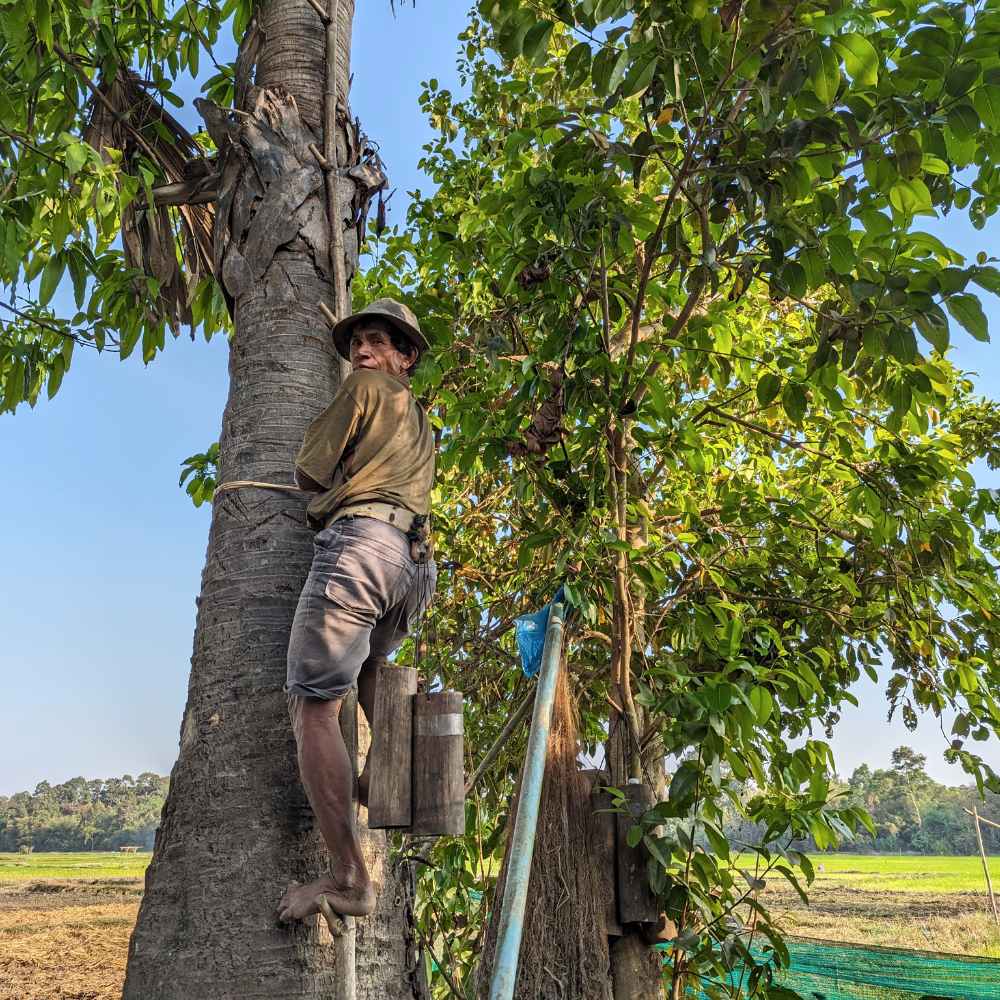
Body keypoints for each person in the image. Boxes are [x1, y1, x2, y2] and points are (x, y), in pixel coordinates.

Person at [277, 297, 436, 926]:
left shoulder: (366, 388)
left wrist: (332, 470)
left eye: (377, 342)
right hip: (411, 566)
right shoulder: (420, 420)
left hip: (361, 546)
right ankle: (385, 778)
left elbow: (306, 473)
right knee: (371, 667)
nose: (362, 354)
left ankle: (348, 877)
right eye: (356, 345)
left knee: (314, 703)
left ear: (405, 358)